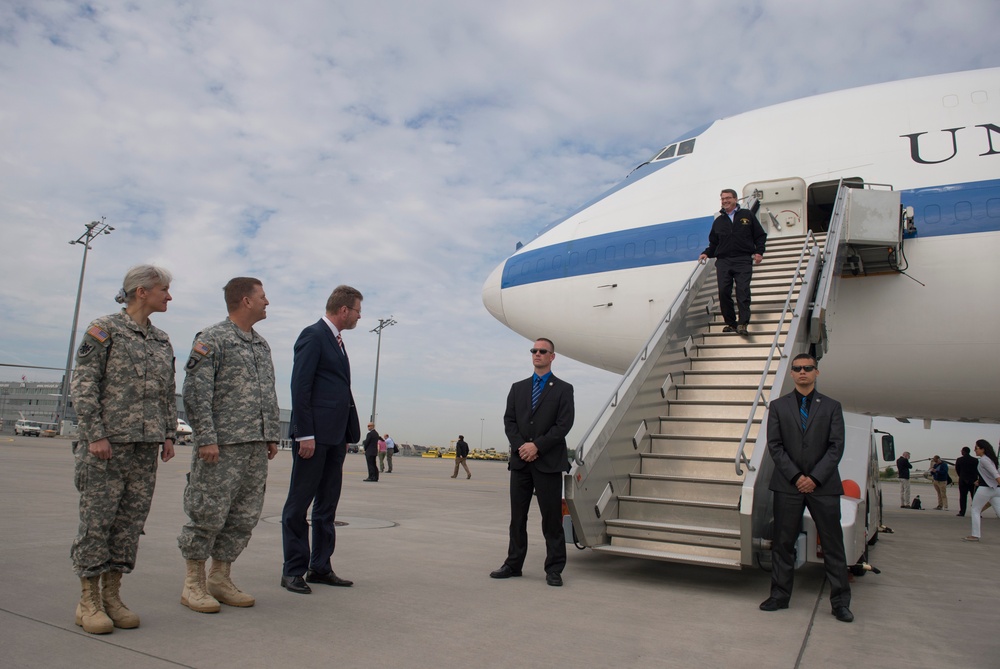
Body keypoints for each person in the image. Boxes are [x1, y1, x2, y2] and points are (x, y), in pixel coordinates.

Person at [70, 265, 177, 634]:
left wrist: (167, 434)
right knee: (97, 521)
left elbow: (166, 393)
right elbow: (83, 383)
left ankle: (113, 595)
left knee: (129, 525)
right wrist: (95, 434)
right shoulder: (105, 330)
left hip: (144, 450)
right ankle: (89, 600)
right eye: (164, 290)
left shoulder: (162, 341)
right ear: (141, 291)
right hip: (107, 447)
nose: (169, 296)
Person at [177, 277, 281, 612]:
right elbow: (196, 392)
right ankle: (193, 582)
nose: (267, 302)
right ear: (246, 301)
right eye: (262, 297)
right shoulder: (213, 338)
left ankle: (220, 577)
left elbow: (267, 392)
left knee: (243, 515)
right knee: (208, 511)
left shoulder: (261, 345)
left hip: (253, 446)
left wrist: (269, 434)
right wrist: (206, 437)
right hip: (221, 446)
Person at [280, 285, 363, 594]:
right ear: (343, 310)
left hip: (334, 438)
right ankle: (293, 570)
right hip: (313, 439)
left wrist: (343, 434)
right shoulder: (313, 336)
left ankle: (320, 566)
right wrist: (304, 433)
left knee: (327, 506)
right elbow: (300, 387)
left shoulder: (337, 342)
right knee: (298, 505)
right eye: (357, 311)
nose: (358, 316)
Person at [760, 353, 853, 623]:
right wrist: (797, 476)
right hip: (788, 485)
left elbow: (836, 446)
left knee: (834, 546)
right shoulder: (778, 406)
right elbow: (775, 446)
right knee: (783, 543)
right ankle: (779, 595)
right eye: (798, 369)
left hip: (823, 486)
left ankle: (840, 603)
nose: (803, 372)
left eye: (808, 368)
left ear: (816, 372)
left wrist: (814, 478)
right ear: (791, 373)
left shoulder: (832, 407)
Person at [491, 338, 574, 587]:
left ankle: (554, 568)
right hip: (521, 463)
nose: (537, 354)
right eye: (534, 351)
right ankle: (513, 563)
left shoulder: (563, 388)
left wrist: (537, 446)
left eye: (542, 351)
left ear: (552, 356)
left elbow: (563, 424)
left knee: (551, 518)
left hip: (547, 462)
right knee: (518, 517)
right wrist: (521, 447)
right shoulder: (518, 388)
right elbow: (510, 422)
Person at [699, 189, 767, 336]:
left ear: (735, 199)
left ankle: (743, 323)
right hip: (724, 261)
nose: (725, 201)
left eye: (728, 198)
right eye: (722, 199)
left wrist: (759, 252)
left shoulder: (747, 216)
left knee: (742, 291)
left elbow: (760, 235)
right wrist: (706, 253)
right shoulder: (719, 221)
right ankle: (731, 323)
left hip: (742, 259)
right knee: (724, 292)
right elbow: (714, 244)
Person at [964, 440, 1000, 542]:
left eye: (976, 448)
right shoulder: (992, 459)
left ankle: (975, 535)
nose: (975, 450)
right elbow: (991, 474)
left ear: (982, 449)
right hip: (996, 490)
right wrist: (979, 480)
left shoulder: (984, 460)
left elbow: (995, 474)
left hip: (986, 489)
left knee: (975, 510)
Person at [954, 446, 979, 517]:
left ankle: (962, 512)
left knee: (963, 497)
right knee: (974, 497)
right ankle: (976, 512)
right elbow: (978, 470)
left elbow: (957, 470)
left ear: (964, 451)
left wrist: (961, 476)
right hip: (973, 480)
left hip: (963, 480)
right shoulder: (975, 460)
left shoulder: (959, 460)